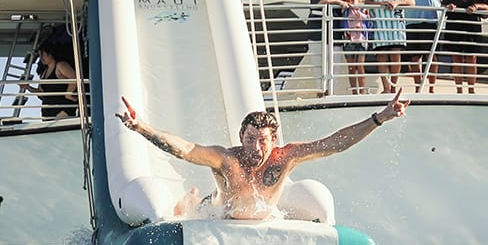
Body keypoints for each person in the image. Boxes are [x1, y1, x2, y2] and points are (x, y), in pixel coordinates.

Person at [115, 90, 409, 220]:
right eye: (250, 139)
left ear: (274, 140)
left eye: (263, 141)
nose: (256, 148)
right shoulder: (225, 159)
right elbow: (185, 149)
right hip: (218, 213)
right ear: (241, 136)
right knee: (190, 209)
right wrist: (142, 127)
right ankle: (191, 198)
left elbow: (334, 143)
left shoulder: (286, 157)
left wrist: (379, 118)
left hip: (262, 217)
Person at [361, 0, 412, 94]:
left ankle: (394, 87)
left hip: (396, 23)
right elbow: (367, 2)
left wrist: (397, 2)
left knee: (395, 56)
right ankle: (386, 88)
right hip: (380, 23)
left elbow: (411, 1)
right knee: (382, 55)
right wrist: (380, 3)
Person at [439, 0, 488, 94]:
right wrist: (449, 6)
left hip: (471, 29)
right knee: (456, 59)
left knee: (471, 58)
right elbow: (442, 5)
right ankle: (459, 90)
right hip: (455, 28)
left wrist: (476, 6)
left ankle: (471, 89)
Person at [402, 0, 441, 93]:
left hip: (429, 19)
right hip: (412, 20)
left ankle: (431, 88)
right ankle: (419, 87)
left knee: (430, 54)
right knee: (414, 56)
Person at [19, 43, 79, 119]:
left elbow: (74, 78)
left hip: (62, 108)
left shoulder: (61, 65)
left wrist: (68, 93)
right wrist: (28, 87)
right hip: (47, 111)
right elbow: (42, 93)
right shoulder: (44, 73)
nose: (41, 58)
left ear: (50, 54)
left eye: (43, 55)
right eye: (40, 55)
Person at [340, 0, 370, 94]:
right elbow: (342, 23)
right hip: (349, 40)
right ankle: (354, 91)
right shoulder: (345, 11)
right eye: (348, 0)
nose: (350, 3)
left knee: (360, 65)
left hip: (361, 40)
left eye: (353, 0)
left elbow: (369, 22)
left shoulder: (364, 10)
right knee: (351, 67)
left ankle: (361, 91)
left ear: (359, 0)